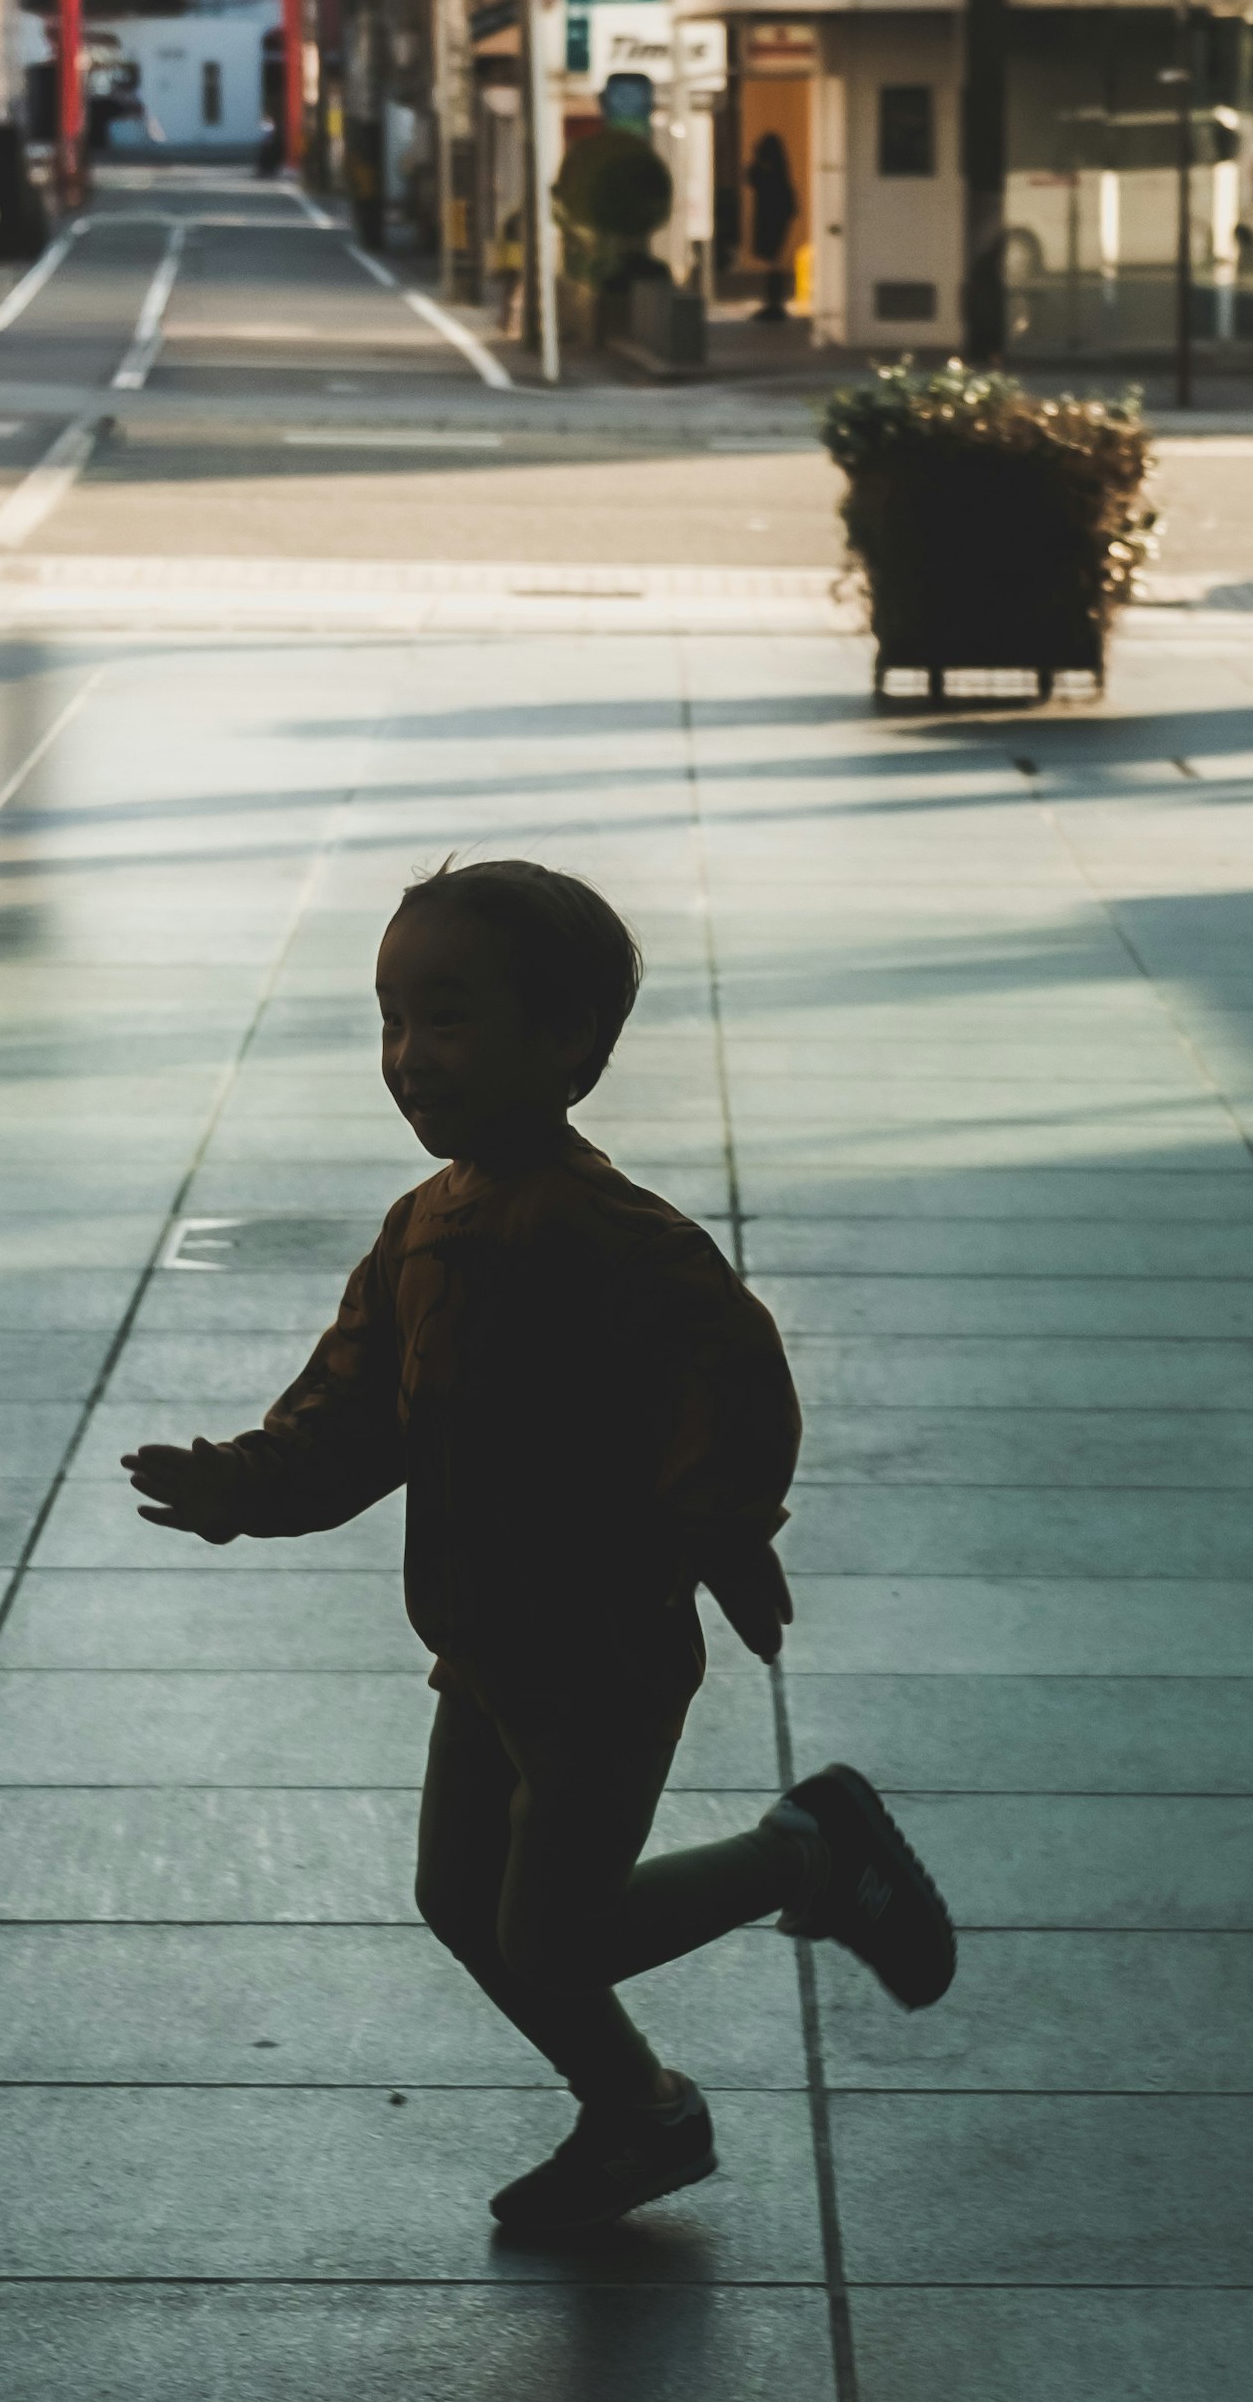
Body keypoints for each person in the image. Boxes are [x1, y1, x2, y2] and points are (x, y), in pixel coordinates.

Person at [125, 858, 956, 2236]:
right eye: (389, 1021)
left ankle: (807, 1856)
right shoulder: (422, 1232)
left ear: (567, 1038)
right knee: (461, 1899)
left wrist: (718, 1528)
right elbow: (347, 1416)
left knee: (550, 1933)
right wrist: (240, 1486)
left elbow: (735, 1371)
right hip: (487, 1643)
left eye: (445, 1019)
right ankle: (639, 2112)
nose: (408, 1058)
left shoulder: (610, 1230)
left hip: (603, 1649)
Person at [743, 120, 799, 321]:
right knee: (774, 260)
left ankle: (773, 303)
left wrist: (755, 155)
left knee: (771, 261)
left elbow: (749, 176)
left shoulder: (764, 173)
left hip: (766, 221)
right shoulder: (781, 174)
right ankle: (775, 302)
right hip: (778, 221)